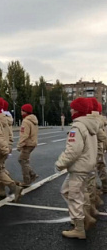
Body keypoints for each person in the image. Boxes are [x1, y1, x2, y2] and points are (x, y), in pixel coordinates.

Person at [55, 97, 98, 239]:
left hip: (79, 167)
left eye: (72, 108)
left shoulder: (78, 127)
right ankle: (83, 217)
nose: (70, 110)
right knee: (67, 191)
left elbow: (73, 150)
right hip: (86, 165)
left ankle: (79, 228)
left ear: (77, 110)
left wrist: (60, 163)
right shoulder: (90, 124)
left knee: (74, 195)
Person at [17, 103, 39, 187]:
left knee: (22, 160)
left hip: (27, 144)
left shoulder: (26, 121)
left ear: (25, 111)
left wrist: (19, 145)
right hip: (33, 143)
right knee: (24, 160)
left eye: (22, 111)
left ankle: (27, 180)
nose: (21, 112)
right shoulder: (33, 120)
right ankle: (32, 174)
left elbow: (24, 135)